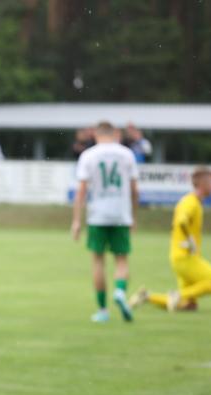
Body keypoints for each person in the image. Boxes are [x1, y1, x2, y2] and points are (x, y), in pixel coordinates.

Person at [71, 121, 139, 323]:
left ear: (95, 134)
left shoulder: (88, 155)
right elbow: (135, 190)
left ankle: (102, 310)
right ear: (116, 133)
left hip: (97, 215)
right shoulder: (127, 154)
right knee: (121, 259)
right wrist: (133, 215)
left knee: (98, 260)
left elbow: (81, 191)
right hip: (121, 214)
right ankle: (119, 291)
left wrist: (76, 221)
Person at [130, 167, 211, 311]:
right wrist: (190, 239)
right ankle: (177, 294)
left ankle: (147, 297)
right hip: (186, 258)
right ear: (202, 184)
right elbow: (181, 221)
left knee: (189, 305)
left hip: (180, 257)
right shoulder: (191, 202)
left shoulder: (194, 202)